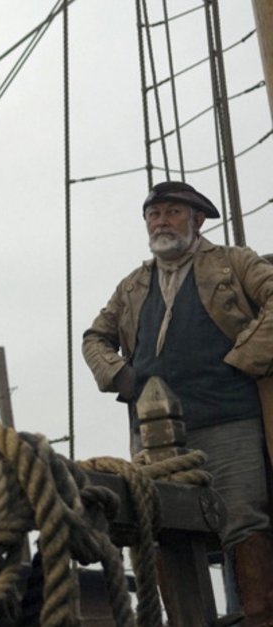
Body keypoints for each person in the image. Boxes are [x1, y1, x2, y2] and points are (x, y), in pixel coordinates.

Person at [83, 181, 273, 624]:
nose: (161, 222)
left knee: (244, 522)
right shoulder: (133, 286)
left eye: (172, 212)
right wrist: (120, 375)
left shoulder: (233, 263)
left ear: (197, 220)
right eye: (154, 215)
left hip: (229, 419)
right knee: (159, 528)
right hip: (152, 435)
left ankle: (262, 617)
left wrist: (244, 358)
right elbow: (95, 337)